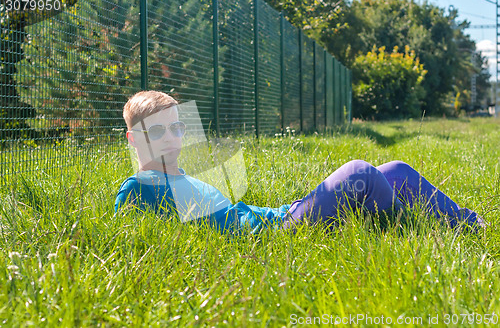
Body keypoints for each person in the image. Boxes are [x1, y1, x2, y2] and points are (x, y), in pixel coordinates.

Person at [115, 91, 485, 232]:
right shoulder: (139, 187)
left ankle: (470, 225)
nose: (172, 139)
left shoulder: (179, 177)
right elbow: (129, 238)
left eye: (177, 128)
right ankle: (412, 230)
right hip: (270, 234)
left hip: (277, 214)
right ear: (134, 139)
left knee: (397, 170)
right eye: (157, 132)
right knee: (361, 172)